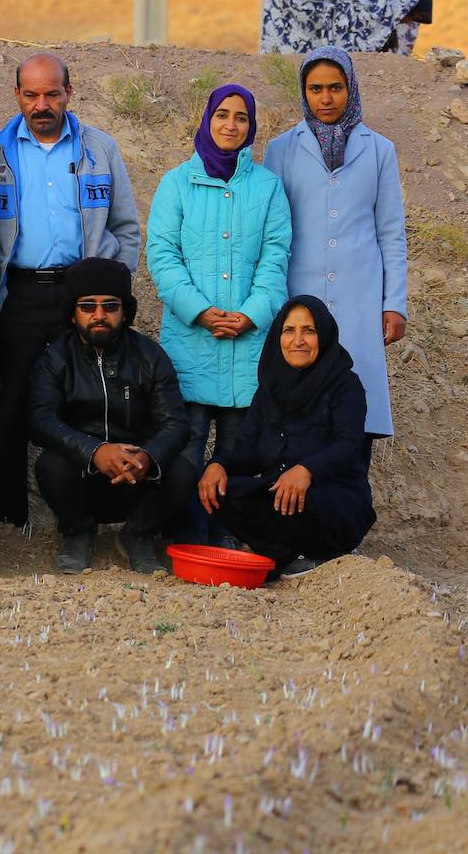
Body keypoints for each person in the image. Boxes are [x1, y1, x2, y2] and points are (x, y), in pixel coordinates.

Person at [0, 53, 141, 527]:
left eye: (52, 93)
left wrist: (111, 290)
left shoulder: (100, 149)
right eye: (31, 95)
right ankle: (5, 521)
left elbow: (127, 228)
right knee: (9, 407)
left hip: (83, 294)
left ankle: (88, 520)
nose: (42, 104)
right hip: (21, 295)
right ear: (16, 96)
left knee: (88, 403)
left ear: (69, 94)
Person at [146, 82, 293, 541]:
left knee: (239, 451)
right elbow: (162, 256)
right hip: (191, 342)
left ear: (252, 127)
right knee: (185, 450)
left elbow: (276, 257)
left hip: (248, 345)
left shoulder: (268, 188)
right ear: (207, 120)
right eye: (222, 115)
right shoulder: (176, 184)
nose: (231, 125)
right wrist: (201, 311)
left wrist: (251, 314)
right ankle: (182, 537)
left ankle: (228, 537)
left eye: (242, 117)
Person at [262, 47, 408, 444]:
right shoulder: (281, 149)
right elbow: (271, 228)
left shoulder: (379, 150)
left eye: (335, 88)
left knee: (354, 415)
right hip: (299, 293)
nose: (325, 99)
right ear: (303, 92)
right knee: (299, 413)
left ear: (351, 88)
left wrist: (393, 302)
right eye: (315, 89)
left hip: (360, 296)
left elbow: (391, 233)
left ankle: (351, 498)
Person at [29, 257, 193, 574]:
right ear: (73, 313)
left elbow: (176, 422)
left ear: (125, 311)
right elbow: (41, 420)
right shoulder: (55, 358)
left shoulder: (150, 355)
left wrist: (148, 456)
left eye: (110, 306)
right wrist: (94, 451)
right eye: (87, 306)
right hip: (82, 478)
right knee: (50, 464)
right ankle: (78, 533)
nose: (99, 315)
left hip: (136, 477)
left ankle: (138, 534)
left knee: (183, 470)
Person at [199, 296, 376, 576]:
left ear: (324, 335)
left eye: (309, 330)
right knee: (221, 489)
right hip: (280, 493)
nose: (298, 340)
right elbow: (247, 448)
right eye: (289, 330)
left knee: (306, 501)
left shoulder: (345, 385)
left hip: (331, 498)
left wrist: (307, 470)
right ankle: (285, 556)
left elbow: (349, 444)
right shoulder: (269, 388)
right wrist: (219, 465)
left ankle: (318, 554)